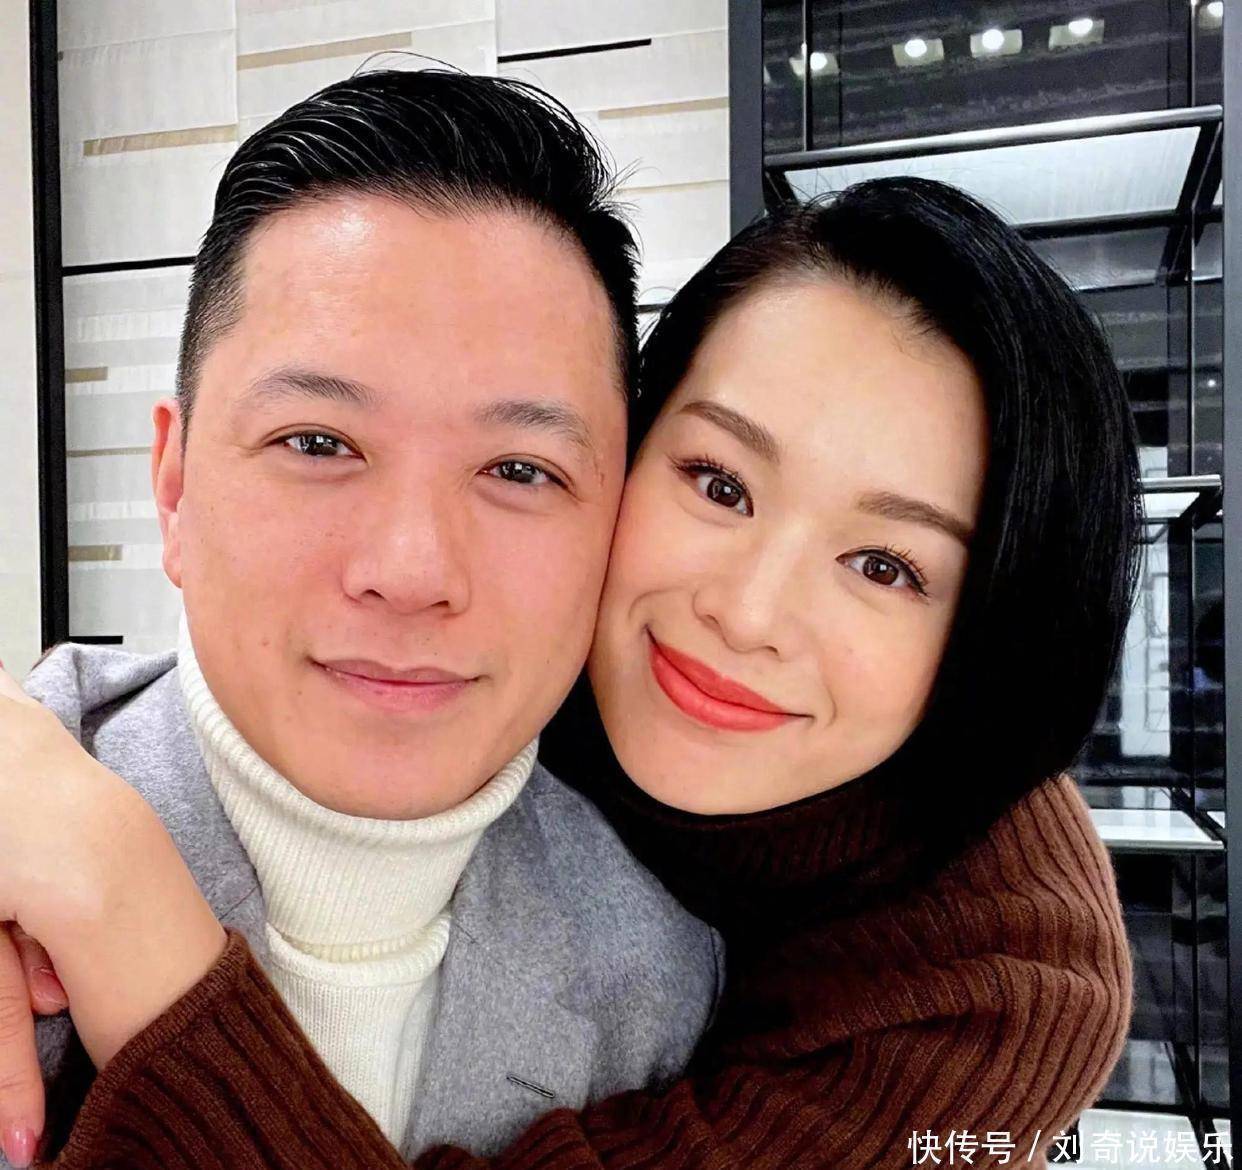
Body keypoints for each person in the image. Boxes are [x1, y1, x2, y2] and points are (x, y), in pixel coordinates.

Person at [0, 178, 1140, 1168]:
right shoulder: (572, 633)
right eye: (720, 484)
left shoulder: (999, 984)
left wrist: (122, 914)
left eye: (885, 565)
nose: (745, 615)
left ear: (997, 632)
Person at [0, 68, 724, 1169]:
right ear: (175, 488)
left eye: (519, 469)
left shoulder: (666, 975)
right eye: (318, 443)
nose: (411, 571)